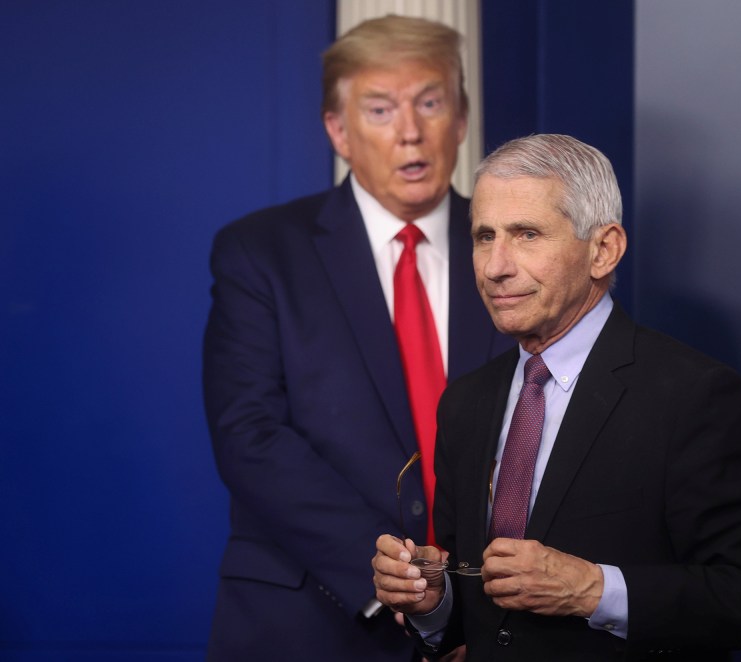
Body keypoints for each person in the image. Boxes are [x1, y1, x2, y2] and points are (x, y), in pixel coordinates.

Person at [372, 134, 741, 660]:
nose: (494, 266)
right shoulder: (466, 402)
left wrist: (593, 590)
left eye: (526, 234)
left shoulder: (692, 394)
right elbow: (489, 616)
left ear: (603, 250)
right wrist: (433, 603)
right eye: (485, 236)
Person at [202, 15, 512, 661]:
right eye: (380, 109)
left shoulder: (512, 249)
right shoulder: (261, 253)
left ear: (460, 119)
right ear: (338, 131)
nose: (410, 131)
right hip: (314, 615)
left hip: (498, 622)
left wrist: (471, 602)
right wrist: (396, 580)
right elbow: (250, 434)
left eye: (430, 103)